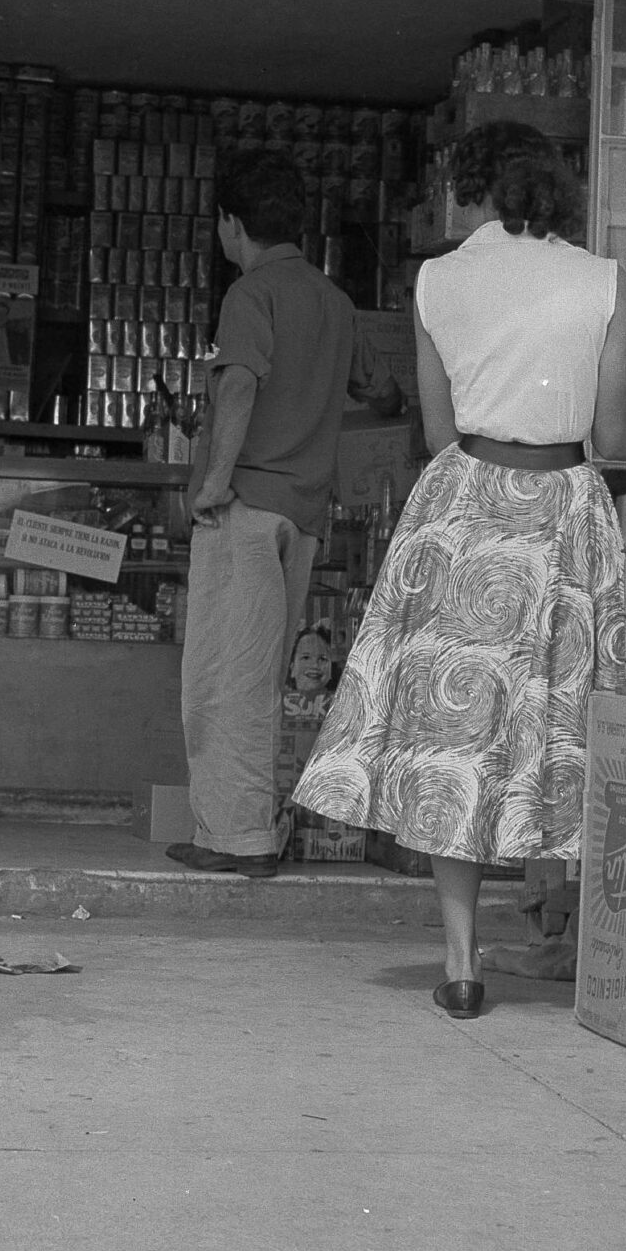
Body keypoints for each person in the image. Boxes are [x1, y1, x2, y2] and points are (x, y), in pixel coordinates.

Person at [291, 125, 626, 1016]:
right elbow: (617, 436)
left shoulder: (436, 281)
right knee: (568, 724)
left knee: (456, 738)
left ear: (473, 192)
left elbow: (438, 434)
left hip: (464, 512)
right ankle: (595, 943)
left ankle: (463, 964)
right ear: (554, 189)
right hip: (563, 516)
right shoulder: (602, 281)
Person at [169, 151, 404, 878]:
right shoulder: (332, 300)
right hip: (303, 512)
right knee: (259, 674)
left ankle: (238, 840)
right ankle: (245, 828)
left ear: (230, 224)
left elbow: (237, 386)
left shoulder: (252, 294)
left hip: (247, 505)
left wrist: (211, 484)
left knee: (219, 677)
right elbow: (384, 394)